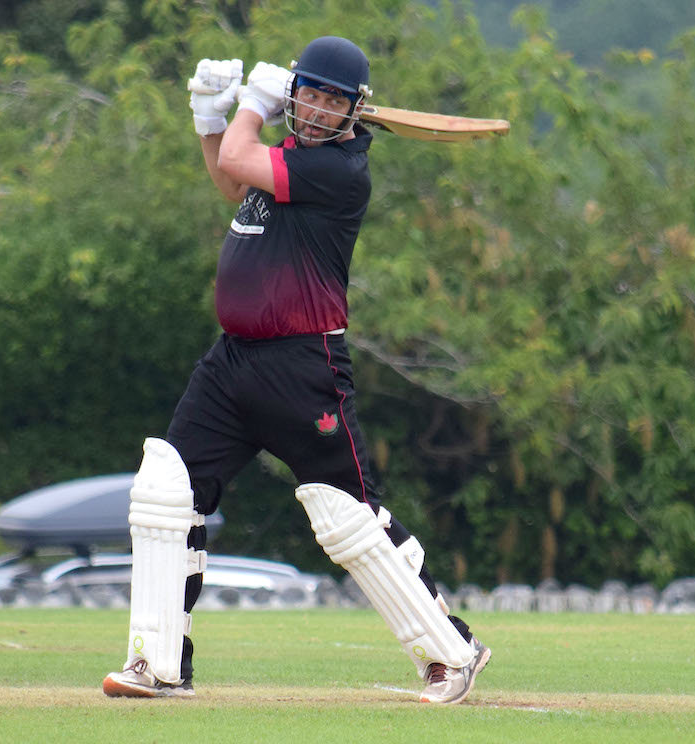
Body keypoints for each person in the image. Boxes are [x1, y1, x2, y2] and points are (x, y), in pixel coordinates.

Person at [102, 36, 490, 704]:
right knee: (169, 493)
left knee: (350, 519)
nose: (315, 108)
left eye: (331, 100)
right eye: (307, 92)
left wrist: (245, 107)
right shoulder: (286, 158)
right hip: (232, 362)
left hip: (302, 363)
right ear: (295, 94)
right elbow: (229, 174)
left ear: (352, 113)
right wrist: (209, 116)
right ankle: (160, 663)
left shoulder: (339, 171)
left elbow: (236, 157)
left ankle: (452, 653)